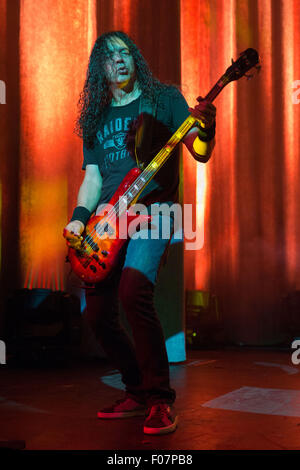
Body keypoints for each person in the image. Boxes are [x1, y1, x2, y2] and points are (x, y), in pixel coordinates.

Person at [63, 31, 216, 435]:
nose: (120, 60)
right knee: (96, 315)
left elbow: (199, 150)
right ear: (100, 68)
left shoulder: (163, 99)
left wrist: (208, 128)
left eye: (126, 53)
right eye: (111, 56)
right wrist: (79, 218)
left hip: (154, 212)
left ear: (136, 60)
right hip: (107, 224)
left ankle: (161, 401)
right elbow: (93, 179)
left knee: (133, 289)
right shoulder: (96, 118)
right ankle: (137, 391)